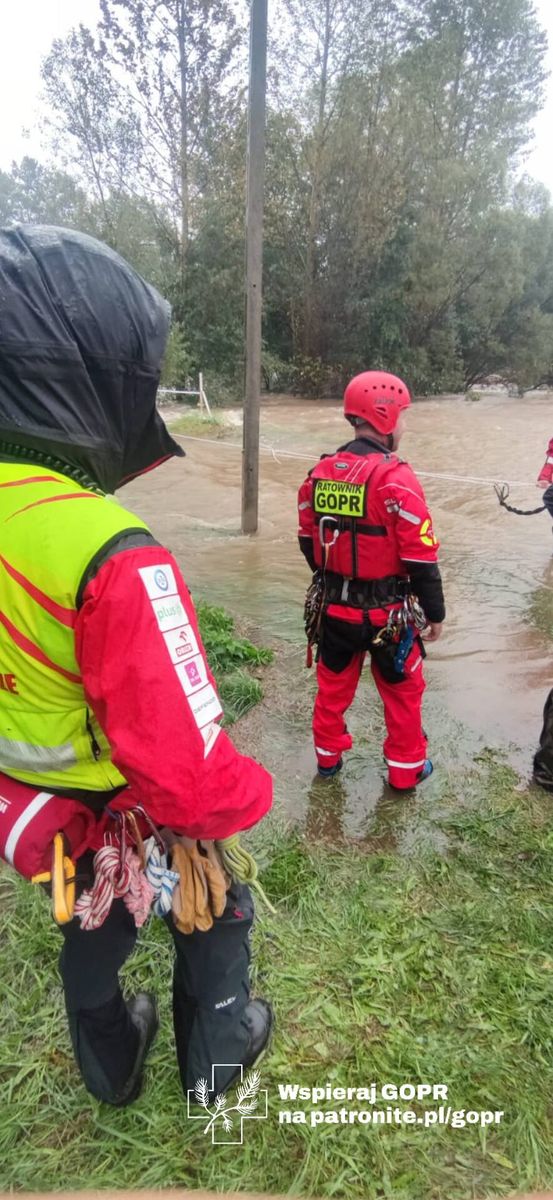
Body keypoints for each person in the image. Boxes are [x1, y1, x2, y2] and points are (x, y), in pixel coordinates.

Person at [0, 225, 273, 1107]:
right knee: (217, 903)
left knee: (93, 915)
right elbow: (188, 774)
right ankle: (217, 1061)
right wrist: (244, 793)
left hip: (24, 807)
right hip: (111, 806)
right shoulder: (105, 546)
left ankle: (110, 1063)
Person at [297, 370, 446, 790]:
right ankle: (405, 774)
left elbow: (308, 544)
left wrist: (341, 579)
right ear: (384, 417)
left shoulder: (318, 475)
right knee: (403, 695)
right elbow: (422, 559)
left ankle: (328, 763)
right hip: (389, 617)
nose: (403, 426)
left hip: (335, 611)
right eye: (401, 417)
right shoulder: (398, 480)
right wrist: (435, 614)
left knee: (331, 691)